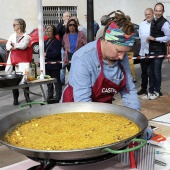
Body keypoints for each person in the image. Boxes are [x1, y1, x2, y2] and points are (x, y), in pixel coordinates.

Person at [61, 10, 140, 111]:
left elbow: (128, 90)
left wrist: (136, 117)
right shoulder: (83, 58)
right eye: (119, 51)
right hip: (75, 111)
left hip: (102, 110)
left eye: (125, 52)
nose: (121, 57)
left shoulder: (121, 56)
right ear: (107, 40)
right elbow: (83, 101)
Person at [142, 3, 170, 100]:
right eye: (156, 11)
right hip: (151, 50)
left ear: (163, 12)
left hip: (160, 51)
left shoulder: (165, 23)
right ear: (154, 11)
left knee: (156, 72)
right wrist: (150, 39)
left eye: (160, 11)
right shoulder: (153, 20)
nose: (158, 13)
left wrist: (155, 39)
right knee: (150, 72)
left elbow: (168, 37)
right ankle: (150, 91)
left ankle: (157, 91)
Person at [5, 18, 31, 105]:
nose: (13, 26)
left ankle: (27, 97)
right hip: (13, 61)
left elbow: (24, 45)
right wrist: (13, 47)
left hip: (23, 61)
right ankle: (15, 99)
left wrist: (15, 46)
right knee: (14, 80)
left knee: (25, 80)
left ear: (20, 25)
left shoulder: (27, 36)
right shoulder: (12, 36)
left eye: (14, 25)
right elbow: (8, 45)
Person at [137, 8, 154, 95]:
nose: (147, 16)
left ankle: (153, 89)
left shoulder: (155, 24)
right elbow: (140, 36)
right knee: (144, 72)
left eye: (149, 14)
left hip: (152, 52)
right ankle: (143, 88)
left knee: (152, 72)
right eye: (146, 14)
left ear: (153, 14)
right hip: (143, 52)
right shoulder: (142, 24)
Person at [44, 25, 62, 103]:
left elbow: (57, 53)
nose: (48, 33)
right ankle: (49, 96)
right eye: (47, 31)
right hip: (47, 65)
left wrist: (47, 54)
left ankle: (58, 96)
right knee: (48, 82)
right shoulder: (44, 42)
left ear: (53, 32)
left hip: (54, 65)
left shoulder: (57, 42)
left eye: (50, 31)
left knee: (56, 81)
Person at [56, 11, 71, 86]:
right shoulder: (60, 25)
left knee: (70, 64)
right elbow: (56, 31)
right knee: (63, 65)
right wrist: (63, 25)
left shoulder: (72, 25)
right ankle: (62, 81)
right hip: (63, 48)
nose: (68, 17)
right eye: (67, 16)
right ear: (63, 17)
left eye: (69, 16)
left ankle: (71, 81)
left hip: (71, 48)